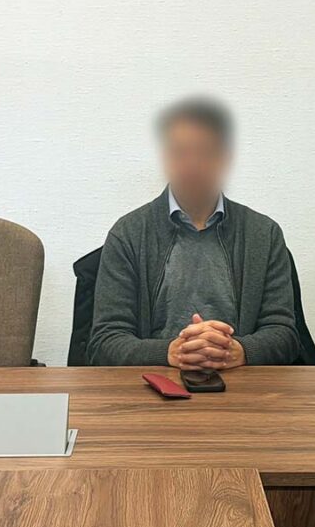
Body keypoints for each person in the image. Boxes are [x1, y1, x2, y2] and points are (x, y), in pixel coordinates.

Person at [88, 97, 300, 369]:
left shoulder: (263, 234)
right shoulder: (128, 234)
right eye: (181, 152)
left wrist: (238, 351)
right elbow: (105, 341)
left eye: (204, 152)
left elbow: (284, 334)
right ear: (166, 158)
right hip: (153, 383)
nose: (192, 164)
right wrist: (171, 353)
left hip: (241, 382)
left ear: (225, 159)